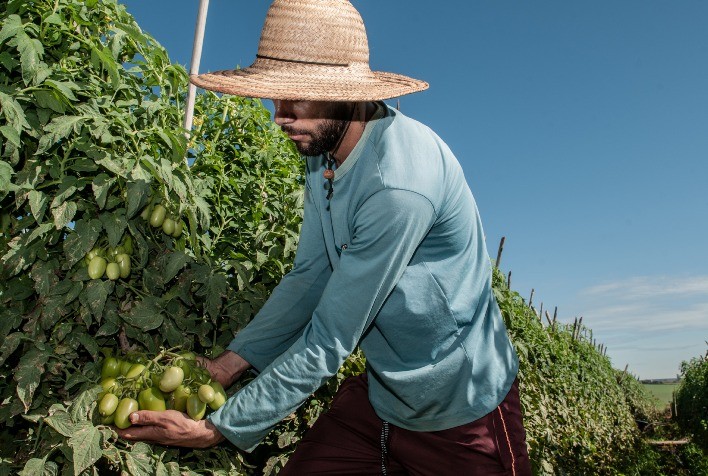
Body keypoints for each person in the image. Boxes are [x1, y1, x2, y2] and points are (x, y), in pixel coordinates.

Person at [118, 1, 532, 474]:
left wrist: (218, 428)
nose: (280, 116)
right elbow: (310, 274)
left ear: (346, 93)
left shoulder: (398, 185)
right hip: (385, 396)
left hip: (460, 410)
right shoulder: (325, 152)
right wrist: (227, 365)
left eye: (297, 98)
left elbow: (329, 338)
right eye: (276, 97)